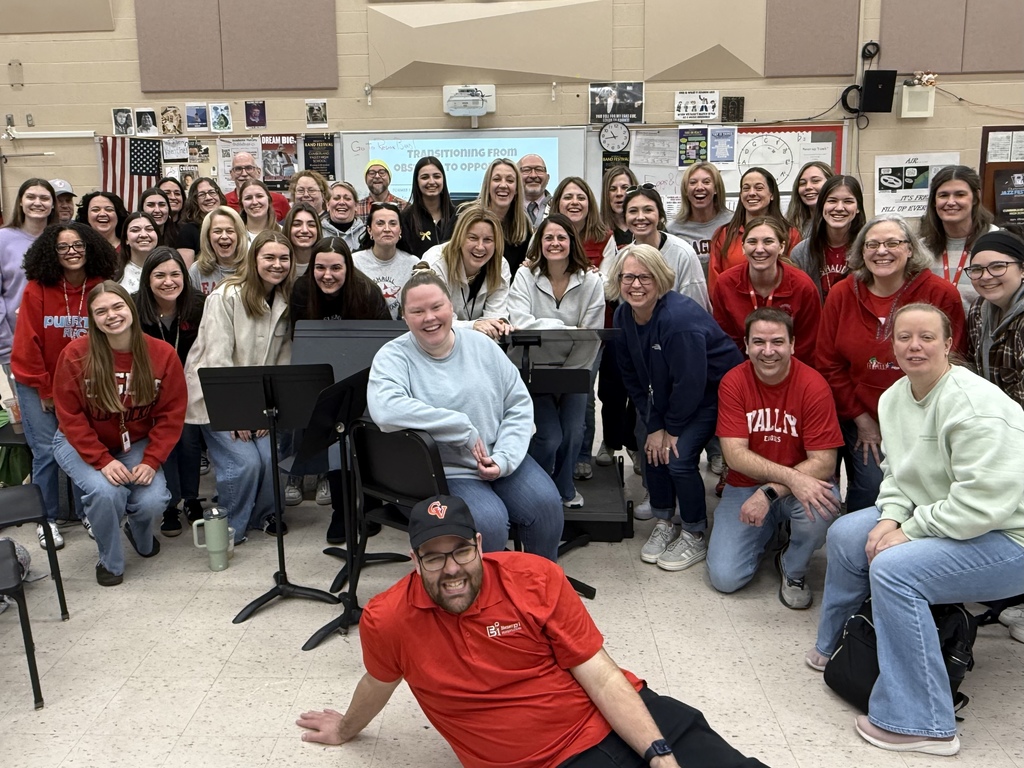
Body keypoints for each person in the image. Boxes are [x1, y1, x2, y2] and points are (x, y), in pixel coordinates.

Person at [296, 493, 770, 768]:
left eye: (461, 551)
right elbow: (378, 681)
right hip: (548, 761)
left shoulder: (534, 577)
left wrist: (659, 754)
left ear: (479, 545)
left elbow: (602, 676)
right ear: (414, 560)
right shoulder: (388, 618)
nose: (451, 569)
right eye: (434, 558)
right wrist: (345, 728)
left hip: (629, 714)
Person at [809, 303, 1024, 757]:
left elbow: (982, 503)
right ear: (892, 346)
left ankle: (924, 723)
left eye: (927, 337)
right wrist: (890, 517)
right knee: (847, 535)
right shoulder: (894, 398)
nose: (915, 346)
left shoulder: (974, 405)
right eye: (904, 337)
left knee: (895, 570)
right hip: (945, 515)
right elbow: (898, 476)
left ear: (948, 344)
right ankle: (841, 648)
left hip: (1008, 536)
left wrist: (910, 532)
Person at [367, 271, 563, 560]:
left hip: (499, 455)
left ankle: (538, 581)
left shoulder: (482, 346)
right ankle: (489, 588)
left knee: (547, 506)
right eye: (417, 311)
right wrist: (461, 427)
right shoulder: (393, 357)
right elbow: (386, 410)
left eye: (437, 307)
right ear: (404, 317)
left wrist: (504, 458)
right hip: (443, 471)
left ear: (451, 308)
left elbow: (518, 404)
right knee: (488, 523)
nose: (429, 318)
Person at [817, 214, 966, 514]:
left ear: (910, 249)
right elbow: (828, 363)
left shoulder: (940, 294)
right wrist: (862, 420)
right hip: (861, 415)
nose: (881, 251)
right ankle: (861, 539)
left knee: (925, 486)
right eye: (872, 244)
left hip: (924, 416)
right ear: (861, 252)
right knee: (872, 487)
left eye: (892, 243)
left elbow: (952, 359)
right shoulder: (842, 293)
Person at [612, 244, 743, 572]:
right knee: (652, 448)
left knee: (678, 457)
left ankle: (694, 531)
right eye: (628, 277)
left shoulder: (678, 319)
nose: (636, 285)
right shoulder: (623, 315)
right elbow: (632, 377)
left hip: (715, 394)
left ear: (660, 279)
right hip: (670, 393)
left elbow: (691, 384)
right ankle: (664, 520)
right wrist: (654, 425)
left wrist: (670, 429)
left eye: (645, 277)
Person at [52, 282, 186, 586]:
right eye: (101, 311)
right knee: (106, 493)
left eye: (117, 306)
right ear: (92, 319)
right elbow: (70, 416)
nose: (111, 315)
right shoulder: (76, 354)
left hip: (134, 442)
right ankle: (110, 562)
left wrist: (152, 460)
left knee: (153, 499)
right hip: (78, 441)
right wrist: (101, 460)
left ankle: (138, 532)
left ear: (131, 308)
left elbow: (171, 415)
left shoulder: (162, 354)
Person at [708, 308, 842, 608]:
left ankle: (792, 566)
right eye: (759, 342)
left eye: (777, 342)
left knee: (824, 506)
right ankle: (767, 531)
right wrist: (789, 478)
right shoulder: (733, 382)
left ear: (792, 344)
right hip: (746, 485)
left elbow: (824, 462)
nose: (768, 351)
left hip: (799, 485)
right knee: (725, 578)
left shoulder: (814, 385)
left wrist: (770, 492)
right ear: (746, 345)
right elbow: (734, 455)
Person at [10, 222, 118, 547]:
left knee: (84, 446)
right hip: (38, 384)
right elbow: (27, 345)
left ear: (90, 248)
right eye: (63, 246)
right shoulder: (37, 288)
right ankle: (47, 519)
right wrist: (46, 390)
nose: (72, 252)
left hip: (87, 384)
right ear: (51, 252)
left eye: (78, 245)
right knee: (45, 452)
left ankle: (88, 511)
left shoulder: (100, 285)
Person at [184, 231, 295, 540]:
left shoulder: (285, 301)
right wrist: (236, 415)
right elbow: (217, 359)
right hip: (218, 399)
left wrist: (267, 410)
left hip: (260, 402)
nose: (277, 264)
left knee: (271, 458)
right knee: (245, 463)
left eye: (283, 258)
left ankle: (266, 515)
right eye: (269, 257)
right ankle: (230, 525)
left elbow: (282, 363)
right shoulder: (225, 296)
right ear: (254, 259)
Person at [290, 236, 389, 532]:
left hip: (364, 375)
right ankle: (341, 511)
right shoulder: (302, 291)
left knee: (364, 438)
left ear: (348, 267)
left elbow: (385, 345)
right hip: (324, 378)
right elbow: (299, 340)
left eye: (336, 268)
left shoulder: (367, 291)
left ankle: (370, 506)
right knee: (333, 440)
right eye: (320, 267)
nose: (327, 275)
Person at [508, 214, 604, 509]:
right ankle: (532, 488)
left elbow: (592, 333)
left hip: (575, 368)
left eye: (562, 237)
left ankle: (564, 488)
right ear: (539, 242)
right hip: (531, 368)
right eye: (548, 237)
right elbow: (521, 323)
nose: (555, 243)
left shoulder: (591, 280)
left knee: (574, 433)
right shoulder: (525, 276)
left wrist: (563, 346)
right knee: (549, 437)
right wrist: (569, 330)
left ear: (572, 242)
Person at [133, 247, 207, 535]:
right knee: (164, 443)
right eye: (160, 275)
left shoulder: (198, 305)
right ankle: (169, 505)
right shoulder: (134, 306)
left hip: (188, 387)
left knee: (188, 438)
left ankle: (191, 498)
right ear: (147, 279)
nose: (168, 282)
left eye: (175, 274)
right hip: (147, 391)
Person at [711, 216, 821, 363]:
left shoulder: (803, 287)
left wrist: (777, 370)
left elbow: (807, 345)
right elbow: (726, 341)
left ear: (782, 247)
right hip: (741, 367)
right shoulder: (725, 284)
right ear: (743, 247)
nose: (759, 249)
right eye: (752, 242)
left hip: (790, 367)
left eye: (768, 241)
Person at [600, 185, 710, 311]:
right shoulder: (622, 257)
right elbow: (614, 296)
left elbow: (696, 311)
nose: (640, 217)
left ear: (660, 215)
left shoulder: (683, 254)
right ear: (625, 217)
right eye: (633, 211)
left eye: (648, 210)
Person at [919, 165, 999, 314]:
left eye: (960, 195)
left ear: (976, 197)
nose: (951, 202)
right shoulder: (922, 248)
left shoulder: (998, 241)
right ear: (934, 201)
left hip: (985, 328)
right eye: (943, 195)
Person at [709, 167, 800, 293]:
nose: (751, 193)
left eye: (759, 188)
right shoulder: (724, 234)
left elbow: (795, 279)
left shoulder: (790, 234)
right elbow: (715, 284)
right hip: (734, 303)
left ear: (772, 194)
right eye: (746, 188)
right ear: (741, 195)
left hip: (779, 304)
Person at [425, 205, 512, 339]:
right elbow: (436, 320)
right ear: (459, 237)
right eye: (473, 238)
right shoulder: (435, 263)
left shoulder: (501, 265)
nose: (480, 247)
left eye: (488, 240)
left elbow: (495, 318)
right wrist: (473, 326)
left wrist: (497, 326)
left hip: (482, 343)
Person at [1, 179, 58, 370]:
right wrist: (5, 342)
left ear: (53, 204)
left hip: (58, 338)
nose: (37, 203)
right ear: (20, 201)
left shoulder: (62, 239)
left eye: (44, 198)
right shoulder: (3, 239)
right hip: (16, 340)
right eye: (31, 197)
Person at [791, 175, 866, 299]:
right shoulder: (801, 253)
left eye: (848, 201)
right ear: (821, 206)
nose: (839, 208)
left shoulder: (869, 249)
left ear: (858, 208)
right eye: (832, 201)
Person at [352, 202, 418, 319]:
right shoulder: (354, 262)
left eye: (393, 224)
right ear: (369, 230)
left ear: (400, 230)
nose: (387, 229)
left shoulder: (413, 263)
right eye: (380, 223)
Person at [667, 161, 734, 277]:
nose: (699, 187)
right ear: (686, 190)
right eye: (693, 182)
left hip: (726, 288)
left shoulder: (733, 223)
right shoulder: (672, 229)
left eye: (706, 182)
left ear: (716, 189)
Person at [471, 157, 532, 276]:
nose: (503, 185)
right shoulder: (464, 216)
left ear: (517, 189)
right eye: (497, 179)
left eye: (510, 180)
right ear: (488, 185)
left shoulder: (523, 224)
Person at [399, 156, 456, 258]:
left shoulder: (458, 216)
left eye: (437, 176)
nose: (432, 182)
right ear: (417, 182)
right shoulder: (405, 219)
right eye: (425, 177)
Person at [551, 176, 610, 268]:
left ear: (589, 204)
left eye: (581, 198)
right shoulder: (541, 235)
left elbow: (607, 276)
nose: (575, 202)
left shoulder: (606, 238)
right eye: (568, 197)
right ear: (557, 203)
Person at [188, 206, 247, 296]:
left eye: (230, 231)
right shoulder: (196, 270)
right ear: (208, 237)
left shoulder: (253, 267)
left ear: (239, 236)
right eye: (217, 231)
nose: (224, 236)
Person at [223, 151, 291, 221]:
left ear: (258, 172)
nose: (244, 174)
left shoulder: (280, 200)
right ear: (231, 174)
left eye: (249, 168)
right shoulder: (223, 202)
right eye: (238, 169)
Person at [175, 177, 227, 264]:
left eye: (212, 192)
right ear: (195, 201)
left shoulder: (232, 224)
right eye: (202, 195)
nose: (208, 198)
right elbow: (186, 270)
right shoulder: (188, 231)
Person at [785, 161, 834, 238]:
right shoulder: (789, 225)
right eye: (802, 183)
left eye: (815, 181)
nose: (808, 187)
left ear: (831, 184)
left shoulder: (838, 223)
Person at [116, 212, 159, 293]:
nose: (143, 235)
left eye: (149, 229)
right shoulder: (115, 274)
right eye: (135, 230)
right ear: (126, 239)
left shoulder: (170, 269)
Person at [319, 181, 366, 252]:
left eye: (347, 198)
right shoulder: (318, 234)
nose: (341, 202)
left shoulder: (366, 234)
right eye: (336, 198)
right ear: (328, 205)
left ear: (356, 206)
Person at [600, 164, 638, 249]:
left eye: (624, 187)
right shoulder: (597, 227)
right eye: (613, 189)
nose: (619, 193)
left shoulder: (646, 223)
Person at [281, 202, 322, 278]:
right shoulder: (278, 265)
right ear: (288, 228)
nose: (305, 230)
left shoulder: (327, 263)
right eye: (297, 224)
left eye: (311, 225)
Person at [518, 153, 551, 227]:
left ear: (548, 178)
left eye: (539, 170)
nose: (533, 175)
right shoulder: (507, 209)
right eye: (526, 170)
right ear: (515, 177)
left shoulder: (558, 207)